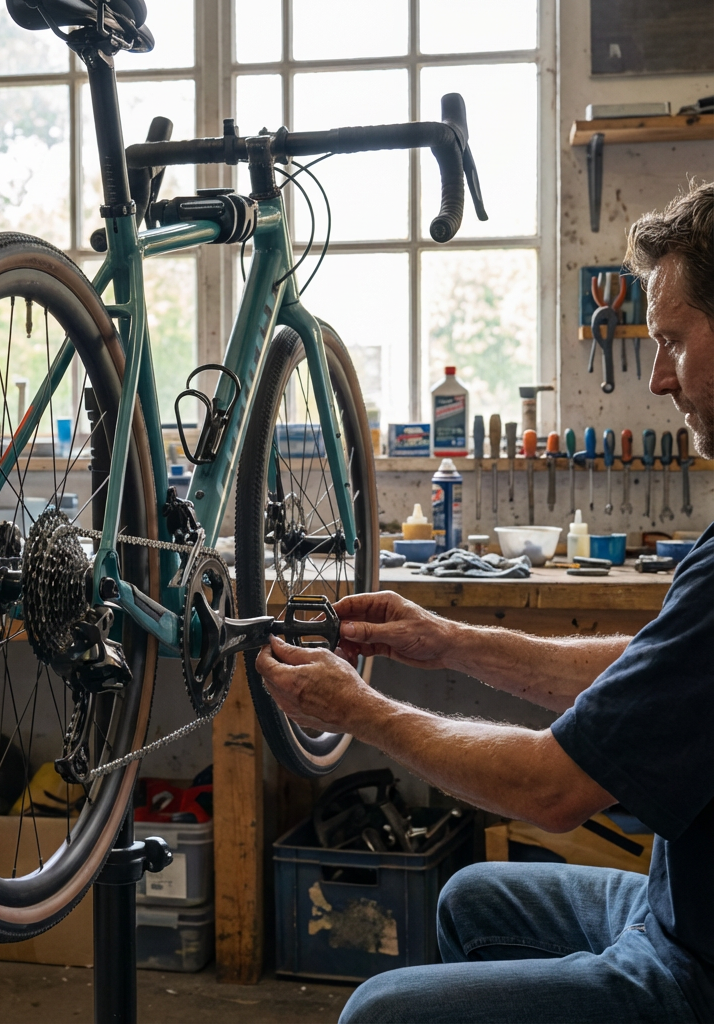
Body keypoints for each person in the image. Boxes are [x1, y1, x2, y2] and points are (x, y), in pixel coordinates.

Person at [256, 180, 713, 1023]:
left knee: (375, 1013)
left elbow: (551, 791)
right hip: (672, 906)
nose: (654, 379)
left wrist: (361, 710)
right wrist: (449, 641)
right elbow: (648, 676)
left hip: (699, 968)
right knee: (471, 899)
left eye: (673, 342)